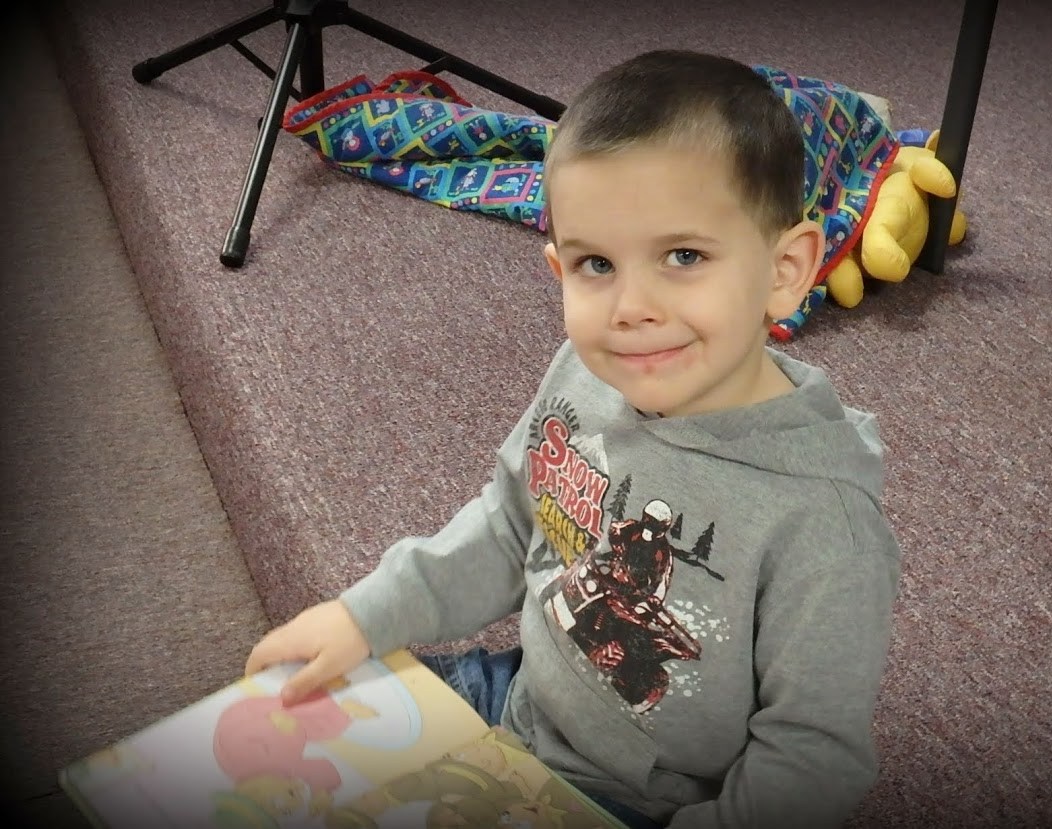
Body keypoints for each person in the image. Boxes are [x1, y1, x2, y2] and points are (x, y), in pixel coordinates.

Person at [246, 48, 902, 828]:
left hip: (639, 797)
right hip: (514, 696)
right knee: (267, 750)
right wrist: (367, 614)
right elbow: (508, 524)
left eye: (683, 256)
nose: (630, 306)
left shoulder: (824, 521)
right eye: (596, 263)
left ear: (786, 270)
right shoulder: (585, 373)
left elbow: (810, 756)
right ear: (558, 269)